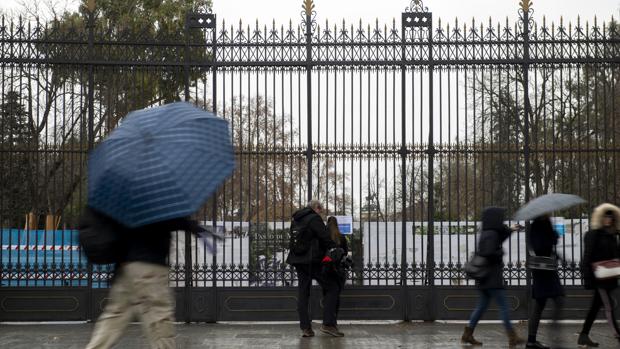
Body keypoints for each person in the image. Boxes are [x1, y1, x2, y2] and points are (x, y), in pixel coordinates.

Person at [85, 207, 204, 349]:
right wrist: (189, 224)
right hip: (149, 266)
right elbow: (165, 219)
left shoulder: (122, 197)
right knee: (159, 320)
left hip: (126, 266)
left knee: (114, 317)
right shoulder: (152, 196)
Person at [461, 207, 525, 347]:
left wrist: (511, 229)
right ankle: (512, 337)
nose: (502, 219)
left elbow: (501, 235)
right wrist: (501, 253)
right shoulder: (491, 234)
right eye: (500, 217)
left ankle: (468, 334)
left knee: (481, 307)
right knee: (504, 307)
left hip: (484, 278)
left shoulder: (488, 232)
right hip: (492, 278)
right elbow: (489, 253)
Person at [286, 200, 342, 337]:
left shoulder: (296, 219)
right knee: (332, 287)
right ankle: (328, 324)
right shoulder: (314, 218)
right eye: (321, 210)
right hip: (312, 260)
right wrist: (335, 248)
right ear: (316, 208)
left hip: (298, 260)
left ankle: (306, 328)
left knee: (303, 293)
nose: (321, 213)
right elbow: (325, 237)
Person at [578, 203, 620, 347]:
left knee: (595, 307)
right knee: (608, 307)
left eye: (611, 217)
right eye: (606, 216)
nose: (609, 219)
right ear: (601, 218)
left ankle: (583, 336)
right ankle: (618, 335)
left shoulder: (613, 235)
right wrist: (587, 277)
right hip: (599, 278)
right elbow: (587, 257)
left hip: (610, 277)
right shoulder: (593, 234)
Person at [526, 215, 565, 349]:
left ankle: (532, 340)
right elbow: (540, 246)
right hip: (542, 271)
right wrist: (551, 236)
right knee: (544, 303)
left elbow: (551, 246)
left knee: (544, 303)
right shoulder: (536, 226)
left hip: (548, 269)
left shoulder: (546, 224)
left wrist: (553, 235)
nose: (548, 213)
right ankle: (535, 338)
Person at [325, 216, 350, 326]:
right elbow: (345, 253)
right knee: (336, 295)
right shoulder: (342, 237)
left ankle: (327, 320)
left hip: (327, 269)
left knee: (327, 295)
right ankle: (333, 319)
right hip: (339, 270)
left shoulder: (325, 236)